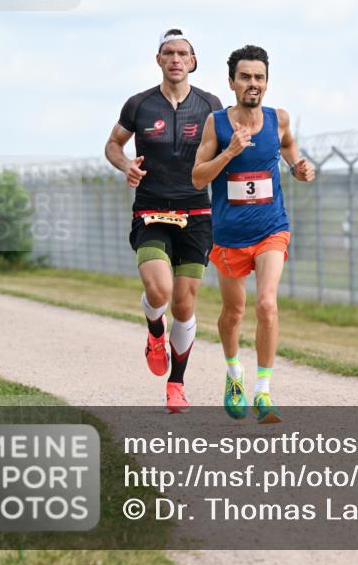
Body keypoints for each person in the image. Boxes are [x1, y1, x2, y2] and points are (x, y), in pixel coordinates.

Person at [192, 45, 314, 423]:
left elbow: (291, 150)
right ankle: (234, 375)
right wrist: (228, 153)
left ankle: (263, 391)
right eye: (245, 77)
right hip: (229, 236)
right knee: (234, 312)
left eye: (259, 77)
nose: (252, 83)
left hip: (271, 229)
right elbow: (198, 177)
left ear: (267, 82)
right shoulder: (218, 124)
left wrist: (298, 168)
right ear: (232, 82)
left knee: (266, 304)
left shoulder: (279, 120)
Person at [105, 28, 222, 413]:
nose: (175, 59)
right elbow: (113, 144)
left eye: (182, 53)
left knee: (185, 306)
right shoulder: (139, 105)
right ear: (158, 60)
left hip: (196, 211)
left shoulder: (210, 104)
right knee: (160, 293)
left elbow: (225, 152)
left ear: (193, 61)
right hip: (152, 209)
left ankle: (176, 384)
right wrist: (126, 165)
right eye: (168, 52)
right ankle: (155, 330)